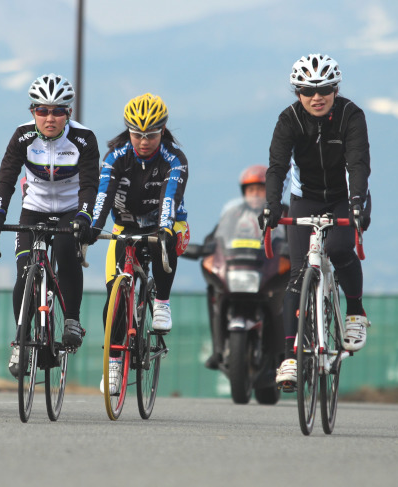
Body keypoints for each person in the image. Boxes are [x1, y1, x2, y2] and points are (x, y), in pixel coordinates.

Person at [259, 53, 372, 389]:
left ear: (335, 89)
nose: (317, 96)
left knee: (338, 249)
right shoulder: (289, 119)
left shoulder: (351, 115)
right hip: (304, 195)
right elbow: (277, 167)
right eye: (308, 90)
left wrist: (356, 204)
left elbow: (358, 163)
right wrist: (272, 205)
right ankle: (290, 357)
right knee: (296, 274)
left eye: (324, 88)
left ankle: (354, 311)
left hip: (344, 195)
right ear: (298, 93)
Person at [0, 73, 100, 378]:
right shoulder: (22, 136)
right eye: (42, 110)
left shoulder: (83, 139)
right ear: (33, 112)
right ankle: (21, 341)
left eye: (58, 110)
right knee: (25, 272)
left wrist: (85, 216)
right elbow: (6, 179)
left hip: (69, 210)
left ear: (69, 113)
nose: (50, 118)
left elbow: (90, 185)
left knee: (65, 250)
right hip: (33, 209)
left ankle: (72, 319)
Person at [88, 93, 189, 394]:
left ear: (162, 131)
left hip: (165, 220)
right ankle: (115, 365)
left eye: (152, 134)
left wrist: (165, 228)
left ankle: (161, 302)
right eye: (137, 134)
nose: (144, 141)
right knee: (114, 301)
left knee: (164, 242)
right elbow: (103, 195)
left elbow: (169, 197)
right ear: (128, 131)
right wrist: (93, 226)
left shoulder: (174, 159)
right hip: (126, 224)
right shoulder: (116, 157)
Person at [199, 165, 288, 370]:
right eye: (251, 190)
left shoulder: (283, 212)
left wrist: (290, 250)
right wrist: (207, 247)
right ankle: (218, 349)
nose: (255, 194)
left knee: (291, 293)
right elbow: (216, 236)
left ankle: (288, 350)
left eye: (260, 189)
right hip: (238, 268)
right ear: (244, 192)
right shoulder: (233, 213)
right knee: (214, 291)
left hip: (269, 270)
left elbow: (294, 238)